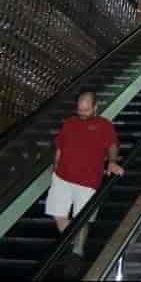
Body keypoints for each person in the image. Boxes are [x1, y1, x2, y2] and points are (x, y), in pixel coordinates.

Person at [45, 90, 124, 257]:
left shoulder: (104, 125)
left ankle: (76, 253)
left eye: (86, 110)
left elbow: (112, 145)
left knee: (83, 218)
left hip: (87, 180)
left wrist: (112, 161)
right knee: (57, 213)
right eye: (80, 109)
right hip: (62, 177)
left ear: (95, 107)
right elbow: (59, 149)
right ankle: (72, 242)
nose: (82, 113)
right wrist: (54, 171)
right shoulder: (69, 123)